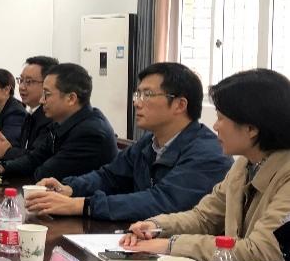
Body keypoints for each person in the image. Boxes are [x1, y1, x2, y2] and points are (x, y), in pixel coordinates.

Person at [120, 69, 290, 261]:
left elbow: (262, 251)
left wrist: (171, 245)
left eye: (221, 118)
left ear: (251, 128)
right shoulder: (244, 165)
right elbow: (204, 218)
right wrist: (156, 226)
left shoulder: (285, 176)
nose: (215, 126)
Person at [28, 62, 232, 220]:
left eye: (147, 95)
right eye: (138, 94)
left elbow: (162, 201)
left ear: (180, 105)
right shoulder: (149, 143)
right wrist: (70, 188)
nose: (136, 103)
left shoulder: (208, 154)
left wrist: (82, 205)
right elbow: (110, 176)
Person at [0, 63, 117, 181]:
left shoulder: (90, 132)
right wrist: (2, 168)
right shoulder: (60, 123)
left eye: (47, 94)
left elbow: (45, 173)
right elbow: (34, 159)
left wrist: (16, 160)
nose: (42, 101)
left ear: (71, 98)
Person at [0, 56, 58, 160]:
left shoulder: (51, 118)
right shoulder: (31, 115)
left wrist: (7, 151)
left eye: (29, 81)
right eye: (21, 80)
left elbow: (38, 158)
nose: (22, 87)